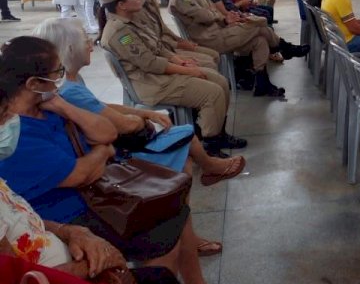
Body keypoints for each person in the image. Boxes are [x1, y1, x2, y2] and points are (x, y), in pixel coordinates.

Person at [0, 37, 245, 284]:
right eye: (56, 73)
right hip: (71, 209)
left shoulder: (49, 106)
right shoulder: (19, 136)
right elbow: (83, 173)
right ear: (33, 84)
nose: (61, 78)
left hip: (98, 191)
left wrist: (64, 107)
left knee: (173, 203)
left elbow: (107, 130)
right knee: (162, 230)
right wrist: (102, 151)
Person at [32, 18, 246, 191]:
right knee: (186, 133)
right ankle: (209, 162)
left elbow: (98, 104)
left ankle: (206, 170)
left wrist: (140, 113)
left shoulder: (71, 81)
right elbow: (124, 121)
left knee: (206, 84)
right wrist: (140, 118)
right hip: (117, 141)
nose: (90, 45)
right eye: (85, 41)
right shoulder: (117, 34)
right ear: (69, 50)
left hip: (153, 81)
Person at [98, 0, 245, 156]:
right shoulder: (120, 33)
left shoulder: (132, 21)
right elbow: (149, 63)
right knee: (212, 92)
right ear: (121, 5)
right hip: (153, 84)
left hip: (162, 76)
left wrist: (179, 60)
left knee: (220, 81)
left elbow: (158, 47)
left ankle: (215, 131)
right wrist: (187, 71)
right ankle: (211, 142)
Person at [170, 0, 306, 97]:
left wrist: (224, 17)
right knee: (259, 26)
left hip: (219, 31)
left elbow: (212, 10)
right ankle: (284, 47)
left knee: (260, 40)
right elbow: (205, 16)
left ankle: (263, 83)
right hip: (210, 39)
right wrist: (223, 18)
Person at [123, 0, 220, 70]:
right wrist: (177, 48)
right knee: (210, 65)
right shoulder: (132, 9)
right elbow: (150, 45)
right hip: (159, 56)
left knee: (212, 58)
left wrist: (180, 40)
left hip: (165, 49)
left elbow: (162, 28)